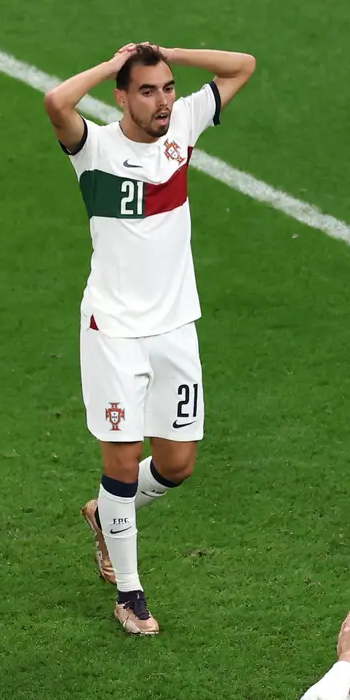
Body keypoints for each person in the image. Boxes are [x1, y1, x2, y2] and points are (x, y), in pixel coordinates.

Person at [43, 41, 256, 635]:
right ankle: (130, 594)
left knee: (177, 464)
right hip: (113, 331)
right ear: (121, 97)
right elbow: (56, 100)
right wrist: (117, 61)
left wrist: (167, 55)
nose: (163, 100)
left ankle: (106, 514)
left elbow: (242, 65)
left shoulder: (183, 123)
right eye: (147, 90)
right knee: (121, 459)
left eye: (166, 88)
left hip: (175, 326)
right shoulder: (94, 148)